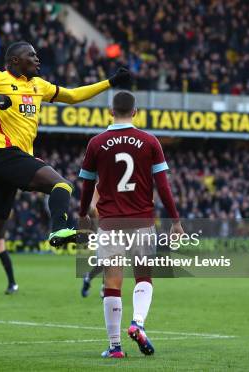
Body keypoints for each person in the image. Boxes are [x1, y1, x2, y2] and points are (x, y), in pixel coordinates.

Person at [0, 40, 130, 336]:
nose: (37, 59)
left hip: (5, 163)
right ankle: (59, 228)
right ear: (13, 61)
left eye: (36, 55)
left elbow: (73, 96)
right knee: (62, 185)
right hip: (3, 154)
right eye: (30, 56)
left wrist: (110, 82)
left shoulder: (39, 85)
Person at [78, 91, 184, 358]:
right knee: (143, 277)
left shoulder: (96, 143)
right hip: (142, 221)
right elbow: (163, 186)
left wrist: (82, 215)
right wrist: (175, 221)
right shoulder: (150, 142)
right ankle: (137, 322)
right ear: (135, 112)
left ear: (110, 112)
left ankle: (115, 347)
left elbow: (87, 185)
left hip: (110, 223)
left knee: (112, 284)